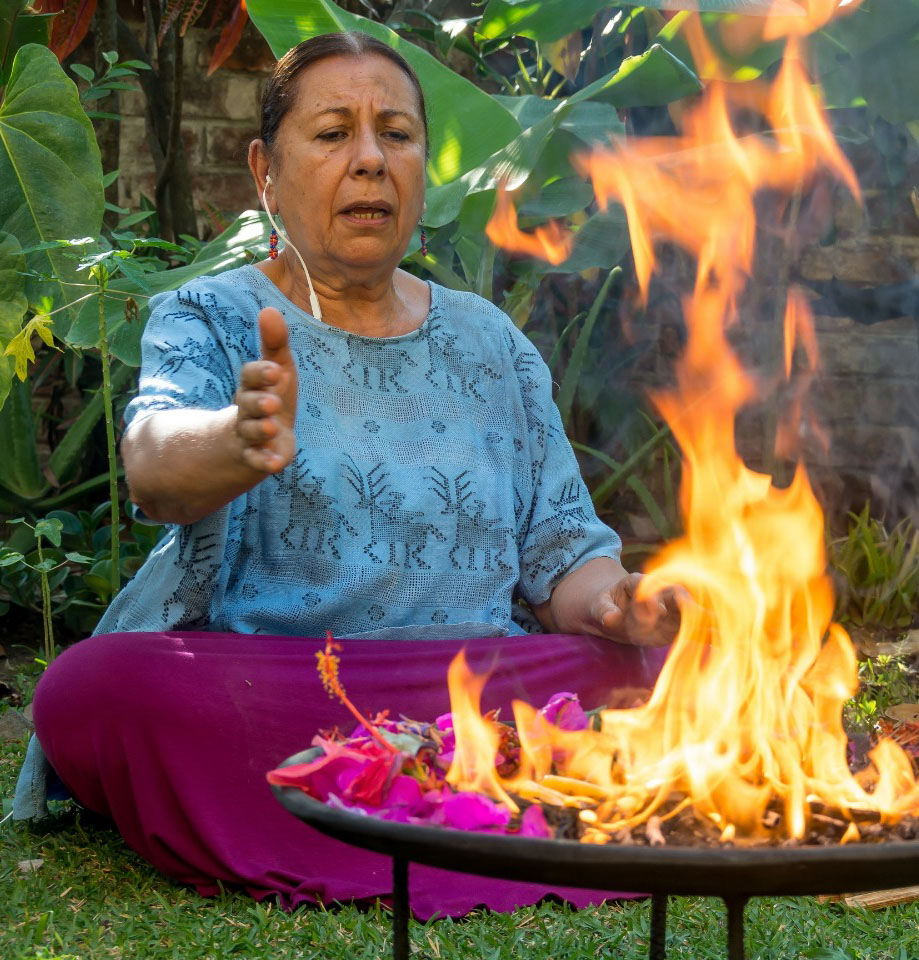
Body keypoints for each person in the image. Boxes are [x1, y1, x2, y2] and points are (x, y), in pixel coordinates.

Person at [16, 32, 677, 918]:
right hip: (275, 689)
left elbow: (562, 555)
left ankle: (409, 787)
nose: (369, 160)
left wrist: (619, 602)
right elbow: (154, 468)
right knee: (92, 688)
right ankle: (452, 799)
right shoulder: (209, 314)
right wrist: (236, 437)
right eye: (333, 133)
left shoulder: (491, 343)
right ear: (264, 168)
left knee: (668, 657)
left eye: (395, 134)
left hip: (467, 692)